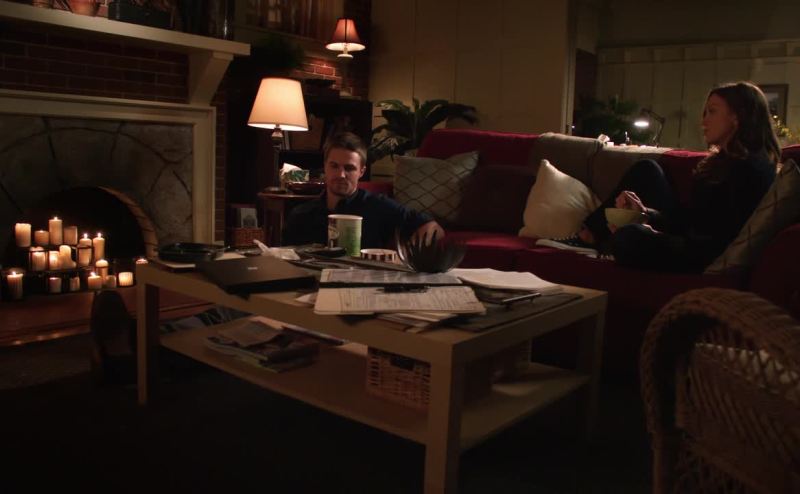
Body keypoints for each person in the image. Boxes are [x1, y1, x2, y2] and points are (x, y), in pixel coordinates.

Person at [538, 81, 780, 272]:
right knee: (647, 169)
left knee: (629, 238)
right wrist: (646, 214)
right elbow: (692, 217)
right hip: (688, 236)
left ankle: (602, 241)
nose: (703, 121)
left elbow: (720, 236)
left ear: (737, 117)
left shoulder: (752, 168)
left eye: (712, 112)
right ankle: (589, 236)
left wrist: (654, 233)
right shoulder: (720, 161)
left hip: (701, 253)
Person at [282, 132, 444, 248]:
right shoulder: (301, 215)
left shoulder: (378, 206)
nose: (341, 174)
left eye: (349, 168)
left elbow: (432, 227)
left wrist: (407, 257)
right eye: (334, 166)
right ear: (325, 166)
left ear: (361, 171)